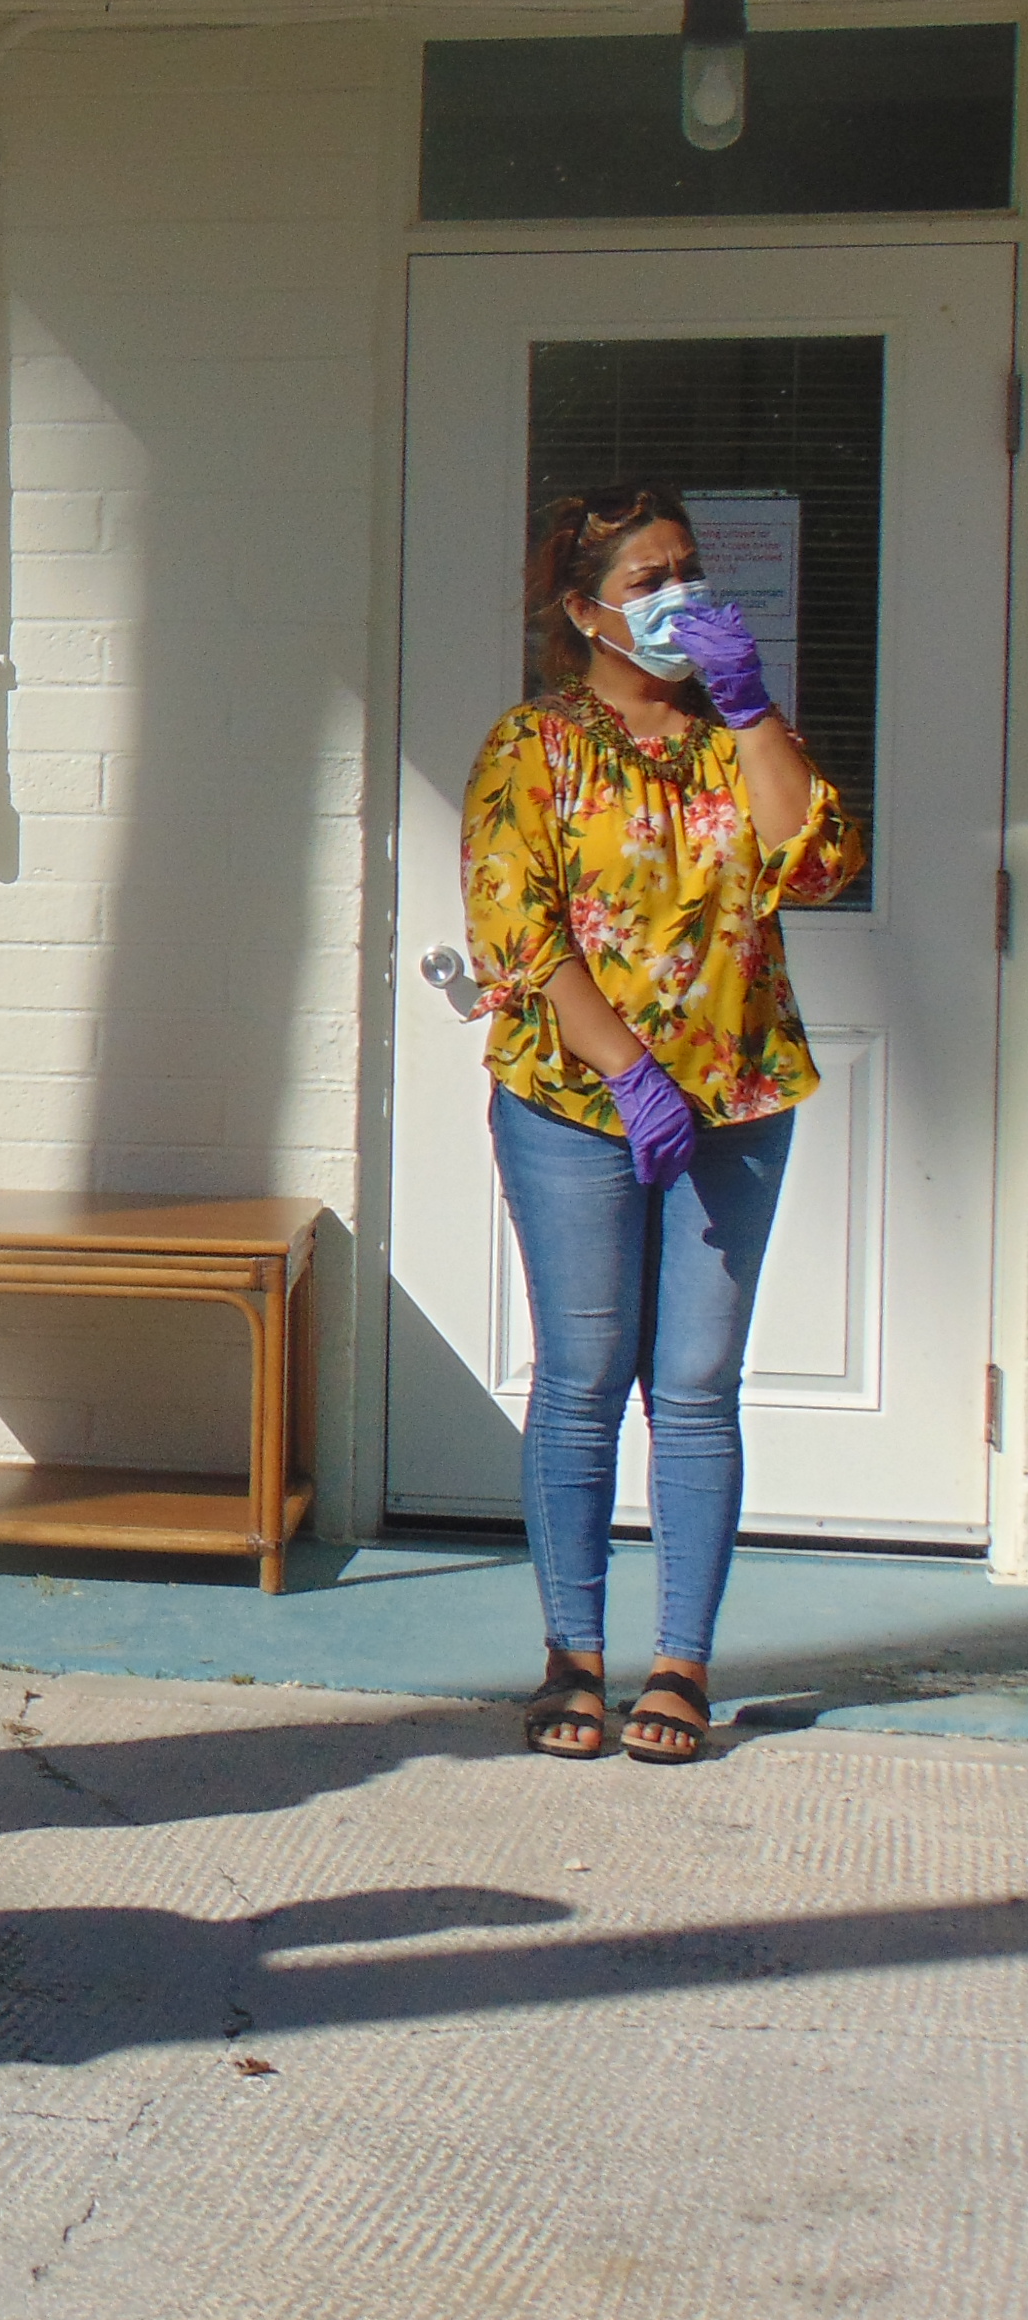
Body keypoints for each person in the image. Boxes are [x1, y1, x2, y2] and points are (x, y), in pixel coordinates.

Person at [464, 484, 861, 1767]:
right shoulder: (533, 744)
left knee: (694, 1390)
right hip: (578, 1103)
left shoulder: (731, 736)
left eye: (689, 571)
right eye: (648, 580)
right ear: (585, 610)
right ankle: (570, 1656)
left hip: (739, 1100)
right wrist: (629, 1068)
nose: (679, 595)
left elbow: (818, 860)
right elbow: (516, 930)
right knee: (582, 1381)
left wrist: (748, 710)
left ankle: (681, 1663)